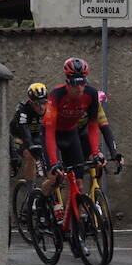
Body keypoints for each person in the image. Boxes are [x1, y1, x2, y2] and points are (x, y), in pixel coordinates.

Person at [39, 58, 105, 203]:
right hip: (52, 135)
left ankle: (74, 225)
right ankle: (40, 203)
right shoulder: (56, 95)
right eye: (75, 83)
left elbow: (93, 125)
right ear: (68, 82)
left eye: (83, 83)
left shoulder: (91, 94)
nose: (80, 88)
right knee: (55, 178)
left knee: (79, 186)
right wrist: (54, 162)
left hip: (71, 134)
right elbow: (49, 131)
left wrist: (95, 152)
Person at [9, 83, 48, 181]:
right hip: (18, 136)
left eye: (44, 102)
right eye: (37, 103)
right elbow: (24, 130)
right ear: (31, 102)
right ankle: (30, 190)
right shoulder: (23, 109)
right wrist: (31, 146)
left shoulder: (49, 108)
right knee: (29, 154)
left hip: (35, 135)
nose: (41, 107)